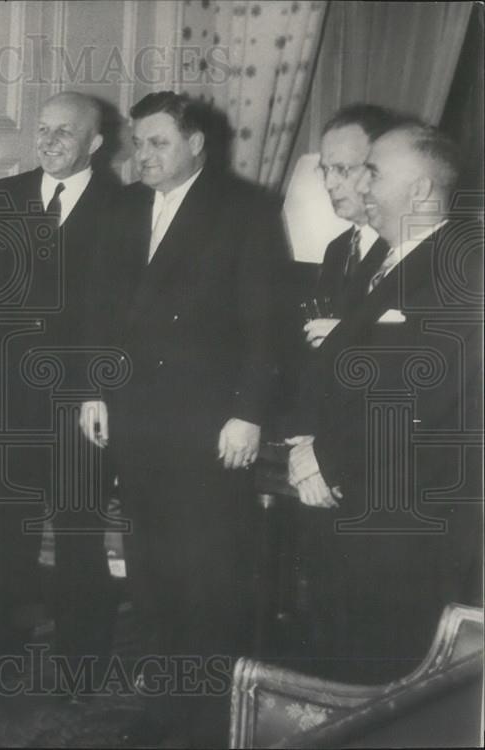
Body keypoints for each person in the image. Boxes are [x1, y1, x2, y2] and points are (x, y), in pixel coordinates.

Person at [79, 91, 283, 743]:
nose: (144, 154)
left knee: (206, 573)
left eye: (159, 142)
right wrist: (94, 392)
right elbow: (101, 315)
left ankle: (208, 717)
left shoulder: (245, 210)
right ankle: (162, 705)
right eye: (138, 143)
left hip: (209, 429)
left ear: (196, 145)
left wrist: (248, 414)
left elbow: (266, 326)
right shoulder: (125, 207)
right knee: (152, 568)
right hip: (137, 424)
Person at [286, 122, 483, 682]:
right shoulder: (382, 261)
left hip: (406, 523)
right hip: (356, 507)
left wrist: (326, 458)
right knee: (345, 662)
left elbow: (423, 394)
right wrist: (309, 445)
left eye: (373, 171)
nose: (360, 184)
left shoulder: (465, 267)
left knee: (390, 676)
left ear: (421, 191)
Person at [0, 92, 120, 678]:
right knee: (6, 530)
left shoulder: (126, 205)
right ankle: (2, 655)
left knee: (78, 532)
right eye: (43, 129)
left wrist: (97, 389)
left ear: (95, 143)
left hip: (79, 403)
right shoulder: (3, 197)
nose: (50, 140)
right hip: (7, 398)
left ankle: (78, 667)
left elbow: (118, 314)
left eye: (66, 131)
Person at [303, 105, 395, 351]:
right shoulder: (337, 249)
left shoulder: (406, 246)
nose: (329, 184)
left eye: (343, 170)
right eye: (325, 170)